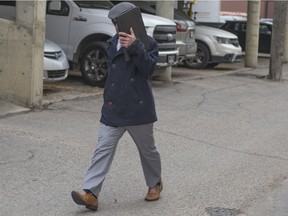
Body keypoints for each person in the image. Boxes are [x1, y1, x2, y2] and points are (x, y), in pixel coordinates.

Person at [71, 2, 162, 211]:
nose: (115, 27)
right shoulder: (112, 43)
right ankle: (91, 193)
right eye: (113, 23)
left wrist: (136, 46)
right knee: (102, 149)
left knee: (148, 151)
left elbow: (149, 69)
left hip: (139, 109)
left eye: (118, 22)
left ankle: (155, 183)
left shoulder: (147, 43)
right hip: (113, 108)